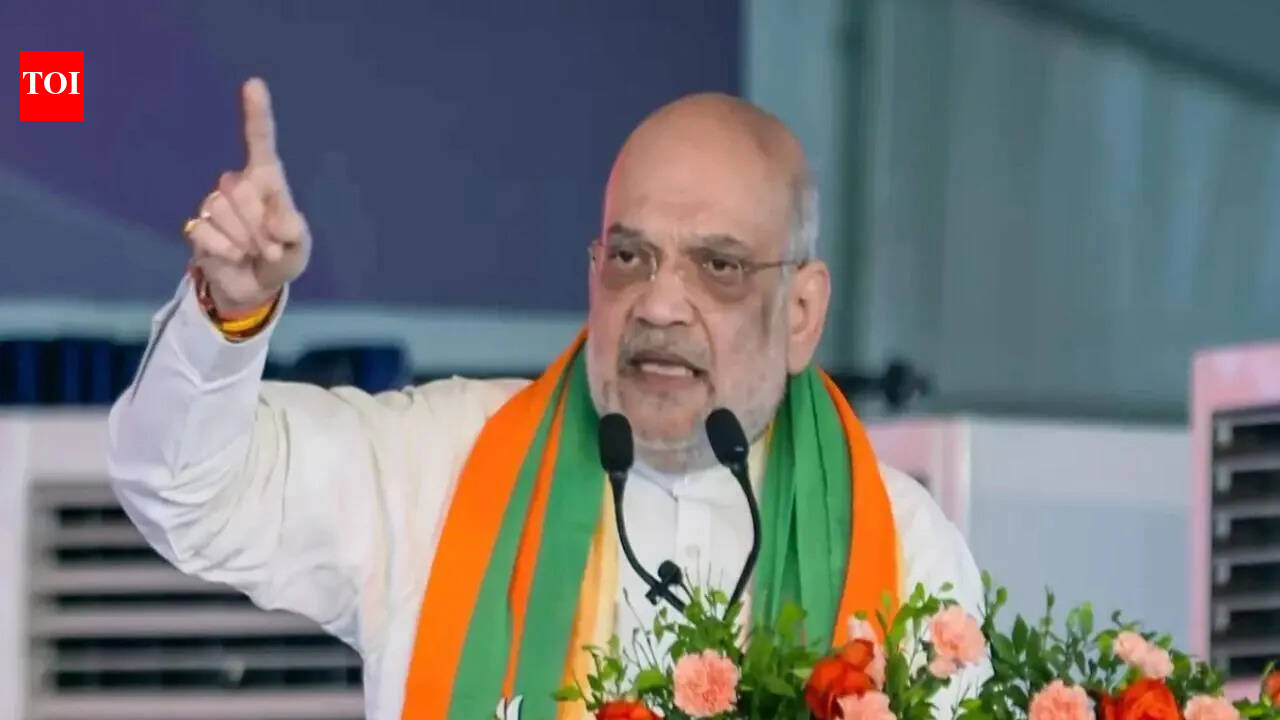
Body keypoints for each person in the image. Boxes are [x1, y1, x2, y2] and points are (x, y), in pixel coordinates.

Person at [108, 78, 986, 720]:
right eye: (630, 257)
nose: (660, 305)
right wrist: (228, 311)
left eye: (717, 266)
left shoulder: (903, 546)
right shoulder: (442, 463)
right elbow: (187, 492)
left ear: (800, 313)